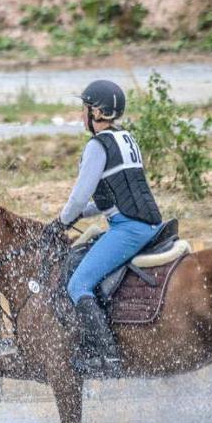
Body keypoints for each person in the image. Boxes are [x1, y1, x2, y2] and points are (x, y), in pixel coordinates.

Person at [52, 79, 163, 373]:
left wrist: (60, 223)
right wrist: (81, 215)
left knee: (78, 283)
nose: (81, 115)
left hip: (129, 228)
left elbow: (78, 197)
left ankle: (107, 356)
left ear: (98, 112)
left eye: (84, 108)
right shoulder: (126, 139)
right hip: (151, 223)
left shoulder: (97, 146)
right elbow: (115, 196)